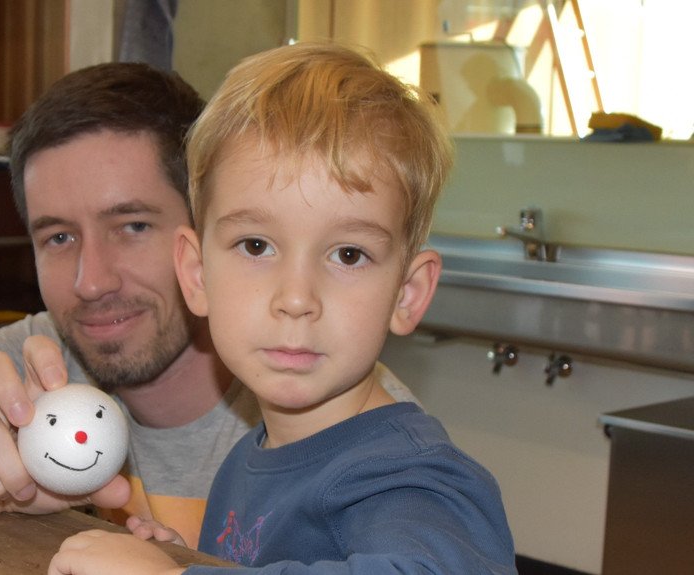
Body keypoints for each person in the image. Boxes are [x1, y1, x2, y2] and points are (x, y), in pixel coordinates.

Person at [0, 60, 416, 548]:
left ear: (201, 244)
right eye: (58, 237)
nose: (91, 281)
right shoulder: (58, 358)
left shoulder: (323, 409)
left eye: (132, 225)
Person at [48, 43, 517, 575]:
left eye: (348, 254)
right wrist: (182, 558)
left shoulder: (406, 480)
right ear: (197, 274)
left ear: (407, 293)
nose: (296, 298)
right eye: (256, 246)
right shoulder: (247, 460)